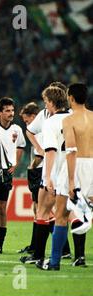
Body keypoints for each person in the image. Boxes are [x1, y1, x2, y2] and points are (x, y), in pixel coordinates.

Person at [41, 83, 92, 270]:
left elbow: (71, 150)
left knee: (61, 215)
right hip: (92, 167)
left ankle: (54, 262)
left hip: (75, 166)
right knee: (85, 212)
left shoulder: (69, 120)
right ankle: (79, 256)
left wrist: (71, 181)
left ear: (70, 98)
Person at [25, 85, 69, 267]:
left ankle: (38, 255)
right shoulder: (73, 118)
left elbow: (50, 151)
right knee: (64, 217)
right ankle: (63, 256)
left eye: (45, 102)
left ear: (51, 102)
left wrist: (48, 176)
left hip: (54, 172)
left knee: (42, 213)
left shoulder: (51, 121)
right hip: (71, 173)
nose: (45, 105)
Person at [0, 97, 26, 254]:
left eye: (12, 110)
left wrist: (15, 163)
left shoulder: (16, 129)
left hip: (6, 173)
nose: (11, 113)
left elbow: (21, 145)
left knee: (2, 209)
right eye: (7, 110)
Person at [18, 102, 42, 254]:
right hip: (38, 171)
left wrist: (32, 166)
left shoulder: (40, 131)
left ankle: (63, 248)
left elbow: (41, 153)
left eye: (27, 121)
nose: (27, 124)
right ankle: (34, 245)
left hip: (40, 171)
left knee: (43, 211)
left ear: (34, 117)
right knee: (38, 209)